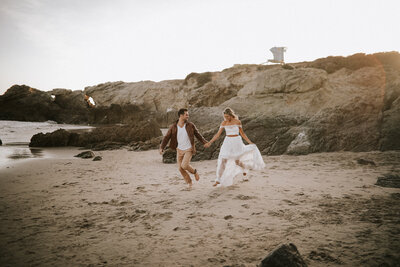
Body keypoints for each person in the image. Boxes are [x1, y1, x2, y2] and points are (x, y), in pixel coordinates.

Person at [204, 108, 265, 186]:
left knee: (237, 162)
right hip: (227, 142)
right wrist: (210, 142)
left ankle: (245, 169)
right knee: (223, 161)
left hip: (237, 142)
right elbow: (217, 134)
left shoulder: (237, 122)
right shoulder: (224, 123)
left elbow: (242, 134)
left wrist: (250, 142)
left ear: (231, 115)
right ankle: (218, 179)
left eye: (227, 116)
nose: (226, 118)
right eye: (224, 117)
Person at [159, 108, 208, 189]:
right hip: (179, 149)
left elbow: (198, 135)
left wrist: (205, 142)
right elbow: (167, 137)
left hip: (189, 149)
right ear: (181, 115)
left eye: (188, 114)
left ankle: (194, 171)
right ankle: (189, 183)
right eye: (186, 114)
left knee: (185, 165)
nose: (188, 116)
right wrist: (162, 147)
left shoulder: (190, 125)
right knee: (180, 168)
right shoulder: (173, 127)